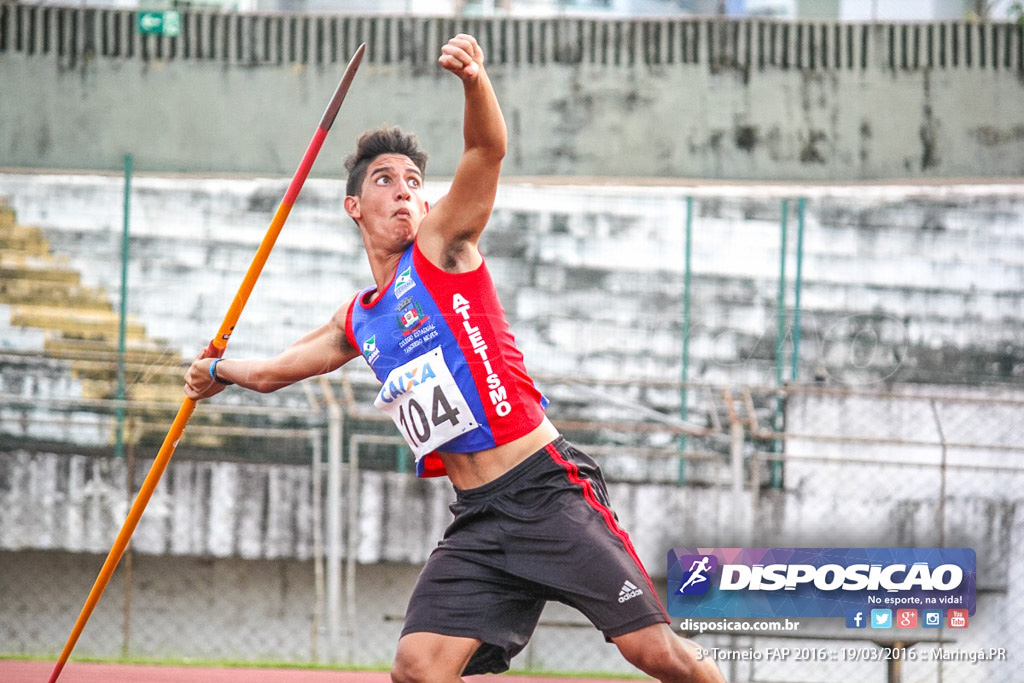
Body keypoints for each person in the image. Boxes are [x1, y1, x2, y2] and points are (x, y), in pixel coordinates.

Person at [185, 33, 725, 683]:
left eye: (414, 181)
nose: (405, 191)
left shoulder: (441, 248)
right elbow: (274, 371)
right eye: (386, 180)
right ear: (354, 204)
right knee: (417, 667)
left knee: (657, 654)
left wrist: (475, 82)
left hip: (547, 492)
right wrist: (216, 370)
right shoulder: (358, 317)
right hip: (480, 517)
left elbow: (486, 150)